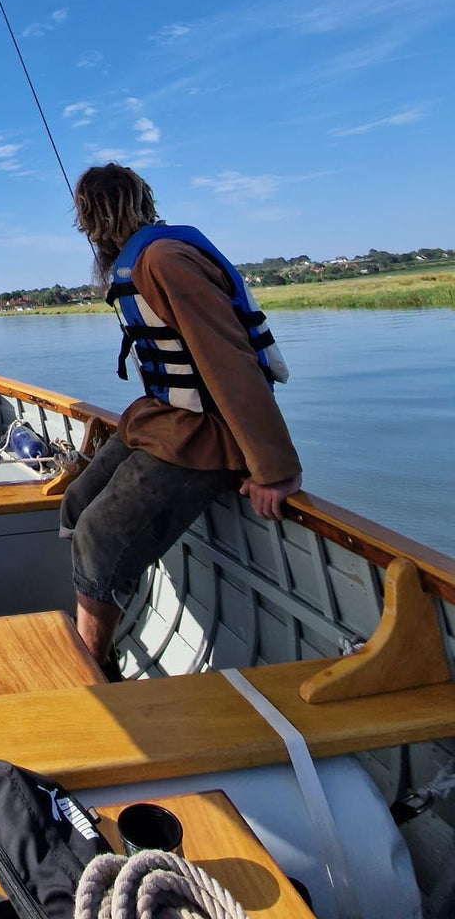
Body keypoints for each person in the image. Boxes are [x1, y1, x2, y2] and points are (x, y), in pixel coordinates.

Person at [62, 162, 302, 679]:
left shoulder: (166, 260)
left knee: (98, 537)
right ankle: (100, 610)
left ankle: (96, 670)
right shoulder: (142, 260)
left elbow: (229, 361)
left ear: (93, 215)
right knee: (77, 503)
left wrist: (273, 470)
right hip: (170, 420)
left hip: (210, 433)